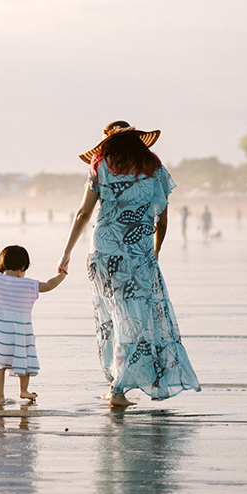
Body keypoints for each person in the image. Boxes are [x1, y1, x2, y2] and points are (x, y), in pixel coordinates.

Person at [58, 120, 200, 407]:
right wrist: (155, 251)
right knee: (137, 318)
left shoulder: (100, 165)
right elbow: (163, 218)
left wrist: (66, 252)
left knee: (111, 318)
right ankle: (123, 387)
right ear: (137, 140)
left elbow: (83, 213)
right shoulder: (154, 167)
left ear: (107, 142)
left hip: (102, 252)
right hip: (138, 255)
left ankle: (117, 384)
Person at [0, 245, 65, 403]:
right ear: (22, 267)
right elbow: (49, 285)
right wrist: (62, 275)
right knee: (24, 362)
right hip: (20, 333)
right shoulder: (28, 284)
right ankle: (23, 391)